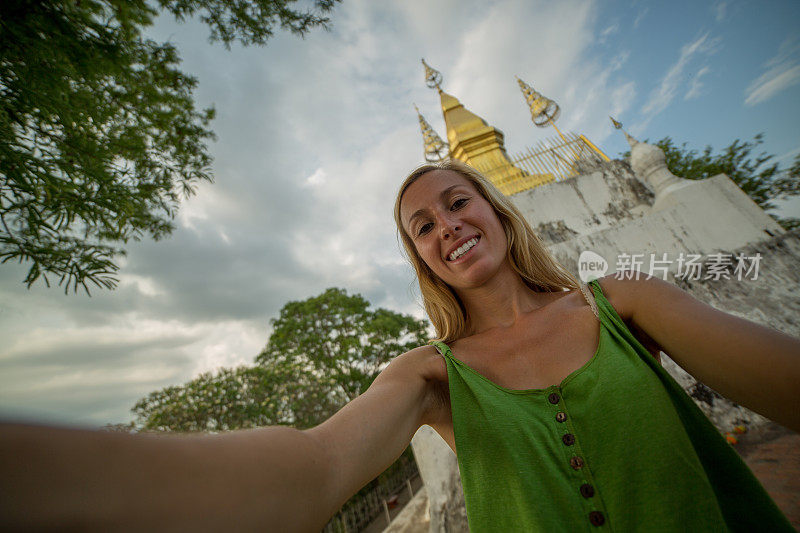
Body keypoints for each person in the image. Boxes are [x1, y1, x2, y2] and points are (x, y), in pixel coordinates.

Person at [1, 160, 798, 532]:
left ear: (497, 208)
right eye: (424, 225)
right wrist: (57, 471)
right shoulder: (428, 374)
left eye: (458, 202)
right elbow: (311, 470)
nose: (447, 225)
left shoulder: (626, 303)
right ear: (420, 256)